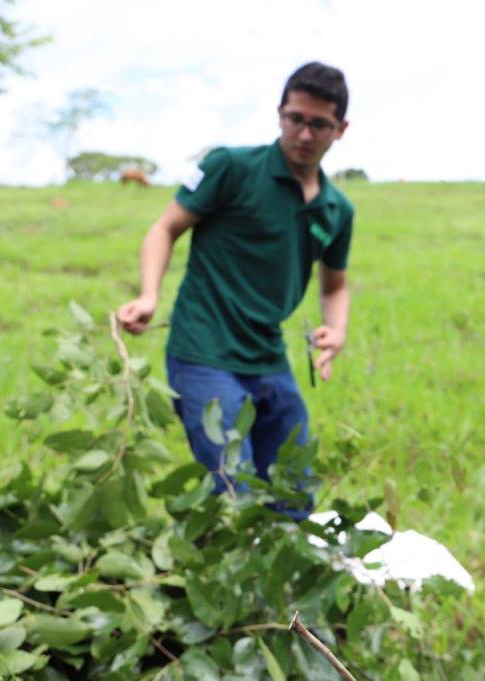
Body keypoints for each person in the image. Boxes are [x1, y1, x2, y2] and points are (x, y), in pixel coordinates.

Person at [117, 62, 353, 517]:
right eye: (295, 119)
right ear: (280, 114)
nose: (305, 134)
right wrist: (149, 295)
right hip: (204, 350)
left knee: (295, 484)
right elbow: (165, 228)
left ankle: (284, 578)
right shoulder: (229, 167)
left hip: (267, 354)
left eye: (319, 124)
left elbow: (335, 282)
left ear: (340, 129)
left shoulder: (336, 208)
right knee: (232, 486)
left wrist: (335, 330)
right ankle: (219, 574)